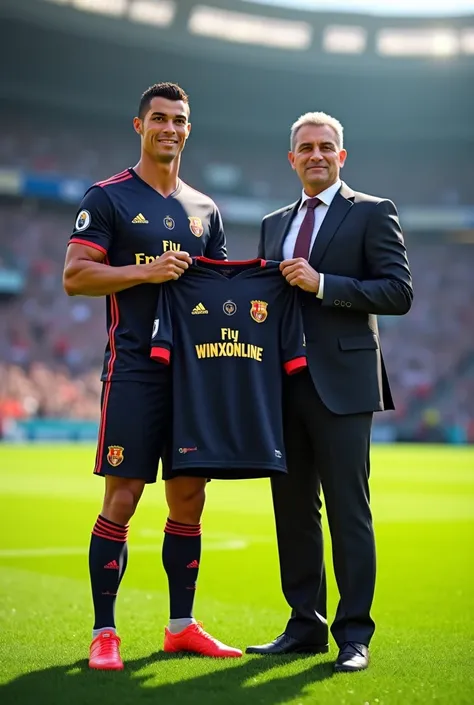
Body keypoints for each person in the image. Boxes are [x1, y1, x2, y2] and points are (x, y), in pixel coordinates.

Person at [63, 82, 241, 670]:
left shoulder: (206, 210)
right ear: (139, 126)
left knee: (190, 496)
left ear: (189, 129)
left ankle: (181, 626)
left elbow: (216, 294)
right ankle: (104, 631)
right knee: (124, 495)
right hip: (135, 369)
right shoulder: (108, 196)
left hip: (193, 376)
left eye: (179, 120)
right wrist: (147, 272)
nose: (170, 127)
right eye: (159, 118)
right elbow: (76, 276)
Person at [246, 112, 413, 672]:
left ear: (342, 157)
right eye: (305, 148)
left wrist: (323, 285)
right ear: (291, 159)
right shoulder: (272, 223)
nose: (316, 155)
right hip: (282, 384)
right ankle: (304, 625)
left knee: (348, 510)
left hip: (343, 382)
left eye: (326, 147)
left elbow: (397, 292)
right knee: (291, 510)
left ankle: (354, 635)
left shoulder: (372, 212)